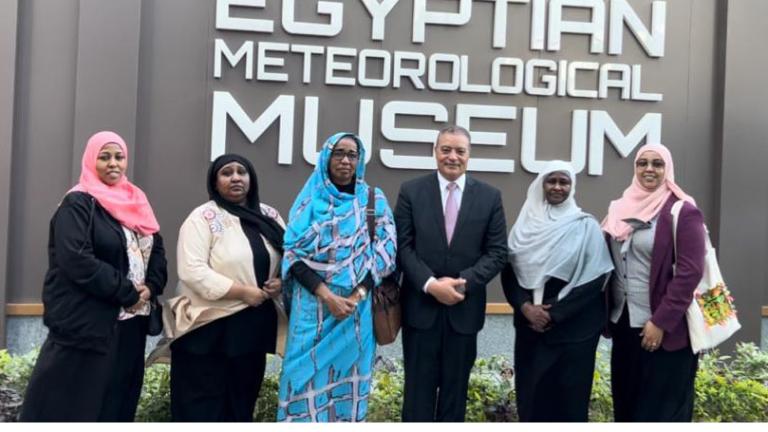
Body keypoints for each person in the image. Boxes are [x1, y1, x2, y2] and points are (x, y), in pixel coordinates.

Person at [20, 131, 167, 421]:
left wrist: (150, 287)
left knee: (116, 403)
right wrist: (126, 292)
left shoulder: (136, 201)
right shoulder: (78, 203)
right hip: (87, 323)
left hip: (130, 326)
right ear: (91, 160)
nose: (113, 163)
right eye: (104, 157)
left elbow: (156, 249)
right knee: (73, 403)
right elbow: (75, 259)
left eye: (119, 156)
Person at [276, 132, 397, 422]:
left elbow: (385, 253)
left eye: (352, 154)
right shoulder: (309, 201)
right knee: (300, 380)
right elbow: (293, 256)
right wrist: (329, 297)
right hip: (313, 311)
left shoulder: (373, 200)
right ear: (326, 158)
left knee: (349, 383)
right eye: (338, 153)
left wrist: (355, 297)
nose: (345, 160)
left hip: (356, 312)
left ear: (360, 159)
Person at [394, 125, 507, 422]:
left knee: (455, 396)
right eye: (446, 149)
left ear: (469, 156)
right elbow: (402, 247)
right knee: (417, 393)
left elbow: (497, 252)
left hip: (464, 311)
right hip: (420, 310)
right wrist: (431, 285)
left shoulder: (490, 197)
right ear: (435, 152)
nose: (452, 157)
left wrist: (462, 284)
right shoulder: (411, 191)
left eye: (460, 151)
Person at [166, 154, 286, 422]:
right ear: (215, 181)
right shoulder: (203, 217)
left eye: (241, 172)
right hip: (207, 328)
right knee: (201, 408)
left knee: (240, 404)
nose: (235, 178)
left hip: (251, 330)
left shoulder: (270, 215)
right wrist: (242, 292)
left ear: (251, 179)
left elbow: (291, 257)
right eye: (226, 173)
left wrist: (281, 282)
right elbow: (191, 270)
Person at [502, 161, 614, 422]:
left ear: (572, 187)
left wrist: (554, 314)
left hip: (574, 333)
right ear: (541, 185)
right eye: (551, 181)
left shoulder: (585, 226)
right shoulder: (524, 227)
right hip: (531, 330)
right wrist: (526, 308)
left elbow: (595, 280)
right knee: (531, 401)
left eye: (564, 182)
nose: (557, 187)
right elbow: (509, 273)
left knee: (569, 406)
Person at [602, 143, 705, 422]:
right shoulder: (618, 209)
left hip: (667, 333)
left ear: (667, 169)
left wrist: (660, 322)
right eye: (642, 163)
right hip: (624, 326)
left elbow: (690, 272)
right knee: (627, 407)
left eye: (657, 164)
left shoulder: (683, 211)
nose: (649, 169)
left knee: (660, 412)